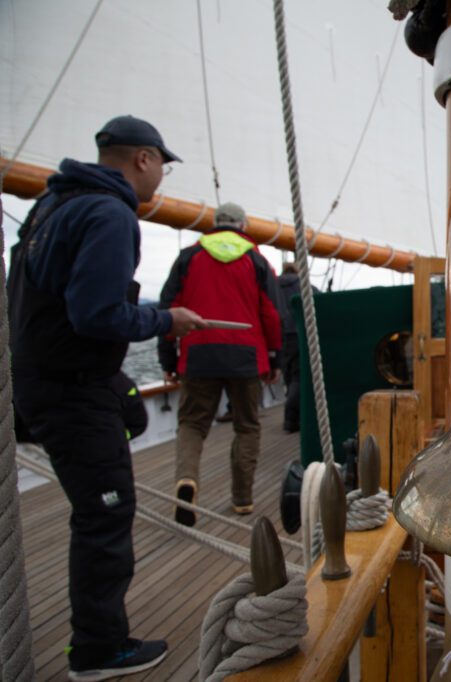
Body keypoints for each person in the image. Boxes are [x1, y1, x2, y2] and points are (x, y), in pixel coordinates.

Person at [8, 115, 205, 680]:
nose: (161, 179)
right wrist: (168, 319)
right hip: (72, 392)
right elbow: (96, 314)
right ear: (142, 159)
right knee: (104, 515)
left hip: (44, 383)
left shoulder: (53, 207)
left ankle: (98, 640)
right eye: (162, 166)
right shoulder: (109, 213)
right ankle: (98, 649)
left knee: (130, 417)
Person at [158, 202, 284, 525]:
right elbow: (271, 313)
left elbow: (168, 308)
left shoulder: (189, 256)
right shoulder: (256, 259)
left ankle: (187, 479)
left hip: (199, 353)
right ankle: (242, 499)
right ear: (242, 225)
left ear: (213, 224)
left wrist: (168, 357)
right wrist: (274, 357)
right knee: (247, 425)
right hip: (246, 356)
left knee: (192, 423)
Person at [277, 261, 319, 432]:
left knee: (290, 377)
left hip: (283, 336)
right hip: (304, 334)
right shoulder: (308, 287)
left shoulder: (275, 284)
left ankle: (290, 420)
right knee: (300, 378)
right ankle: (293, 419)